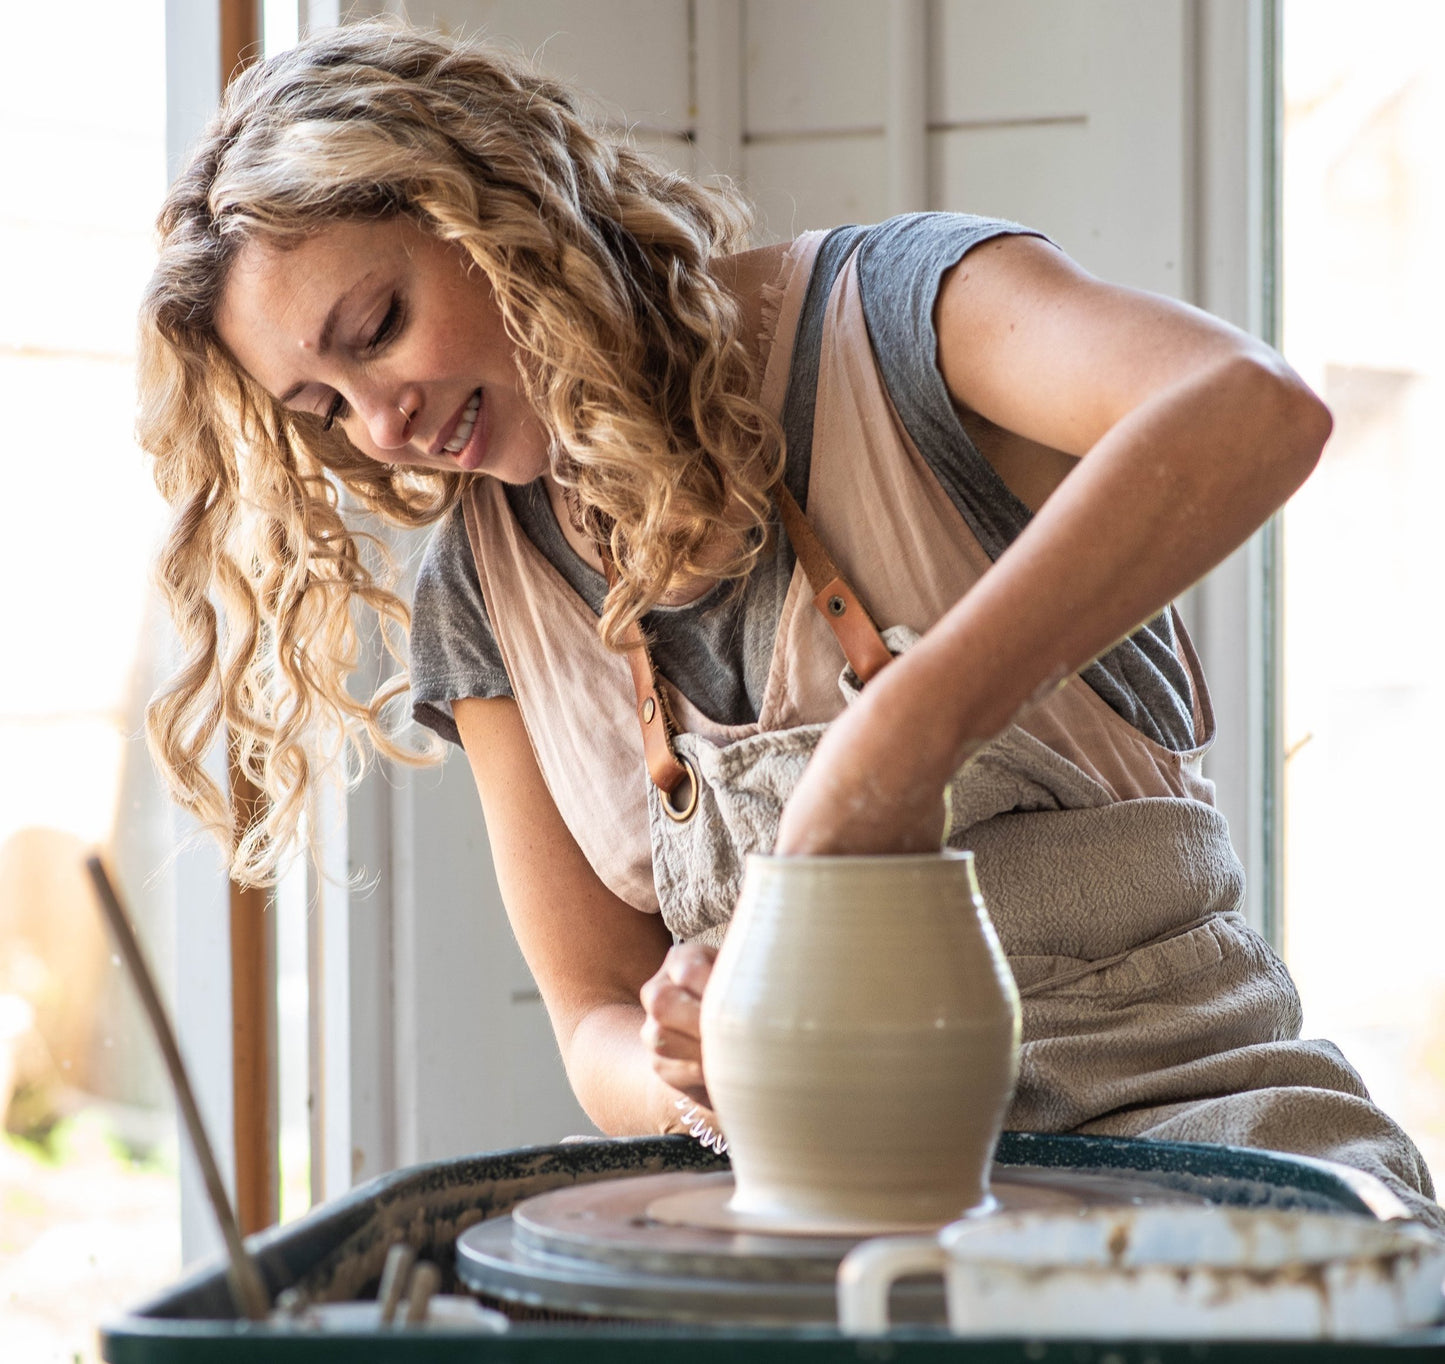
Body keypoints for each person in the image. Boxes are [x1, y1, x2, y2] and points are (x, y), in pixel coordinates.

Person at [138, 22, 1441, 1230]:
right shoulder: (481, 580)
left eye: (378, 329)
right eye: (322, 406)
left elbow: (1249, 404)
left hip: (1202, 1153)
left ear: (501, 210)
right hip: (830, 1215)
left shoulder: (892, 319)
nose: (381, 423)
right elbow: (594, 1009)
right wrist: (693, 1069)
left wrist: (901, 745)